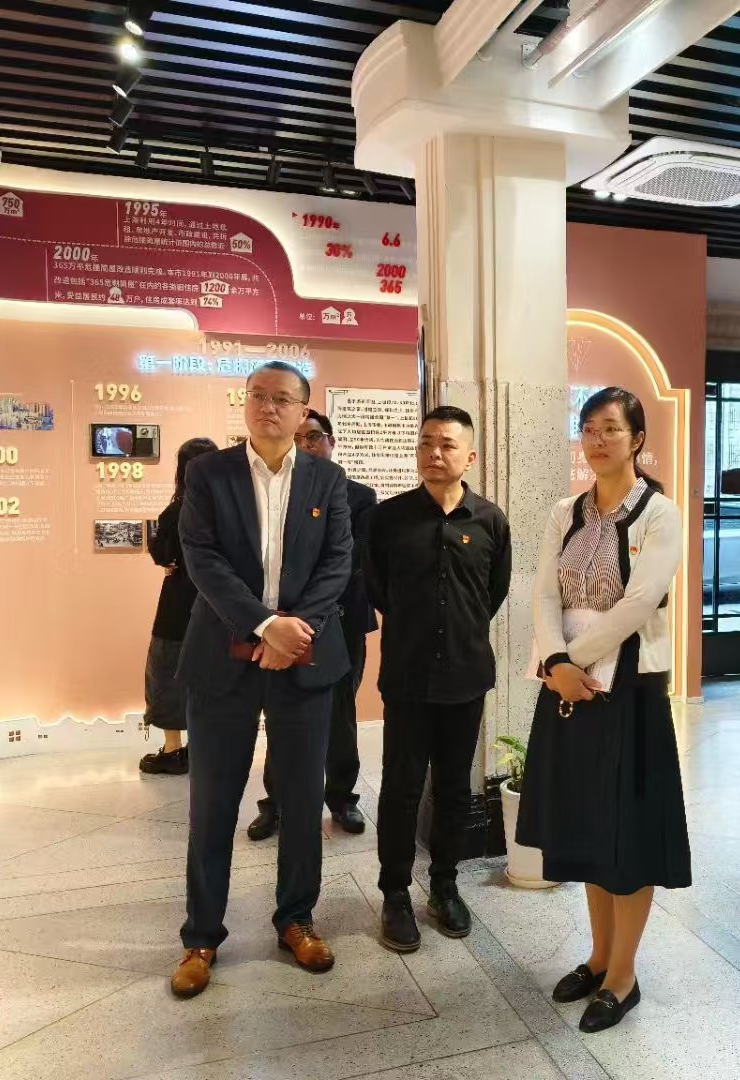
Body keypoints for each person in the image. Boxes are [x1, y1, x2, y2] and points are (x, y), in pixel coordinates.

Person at [168, 361, 353, 999]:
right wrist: (265, 624)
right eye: (257, 396)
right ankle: (201, 936)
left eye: (281, 399)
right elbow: (202, 559)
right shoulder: (209, 473)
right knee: (213, 802)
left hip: (304, 657)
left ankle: (296, 919)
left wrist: (292, 632)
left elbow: (338, 562)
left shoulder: (327, 479)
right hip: (222, 657)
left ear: (303, 411)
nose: (267, 407)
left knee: (301, 800)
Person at [518, 386, 690, 1034]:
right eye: (588, 428)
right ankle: (597, 958)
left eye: (611, 428)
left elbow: (639, 603)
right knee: (587, 827)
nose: (597, 439)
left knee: (629, 836)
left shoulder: (660, 514)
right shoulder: (565, 512)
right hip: (568, 689)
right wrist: (555, 662)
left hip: (631, 693)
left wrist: (570, 662)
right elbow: (543, 593)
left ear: (637, 439)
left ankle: (623, 976)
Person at [366, 405, 511, 953]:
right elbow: (375, 588)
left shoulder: (490, 520)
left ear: (469, 456)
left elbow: (493, 593)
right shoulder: (388, 518)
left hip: (466, 677)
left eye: (447, 445)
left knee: (454, 788)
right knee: (401, 789)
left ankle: (445, 886)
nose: (434, 453)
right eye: (426, 442)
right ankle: (395, 894)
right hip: (406, 676)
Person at [247, 409, 376, 838]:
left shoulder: (360, 496)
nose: (306, 445)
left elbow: (351, 558)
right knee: (281, 710)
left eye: (315, 437)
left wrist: (308, 599)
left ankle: (341, 799)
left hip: (342, 622)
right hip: (283, 625)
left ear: (331, 442)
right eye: (299, 438)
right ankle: (277, 802)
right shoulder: (274, 493)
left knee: (340, 716)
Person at [139, 437, 218, 775]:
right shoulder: (228, 510)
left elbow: (162, 553)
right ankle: (205, 749)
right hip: (218, 607)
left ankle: (173, 750)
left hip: (177, 608)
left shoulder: (178, 510)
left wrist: (168, 561)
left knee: (168, 674)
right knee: (211, 678)